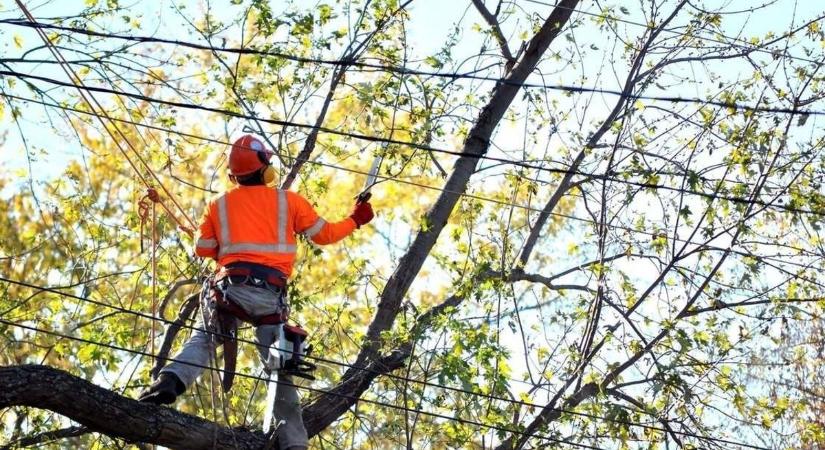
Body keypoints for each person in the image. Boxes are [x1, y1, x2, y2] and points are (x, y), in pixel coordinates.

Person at [138, 134, 374, 450]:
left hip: (230, 290)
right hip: (269, 297)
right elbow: (325, 235)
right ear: (265, 170)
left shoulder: (218, 204)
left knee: (205, 339)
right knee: (277, 370)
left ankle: (170, 381)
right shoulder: (289, 201)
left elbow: (202, 248)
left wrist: (222, 240)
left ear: (233, 175)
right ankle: (294, 445)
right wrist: (355, 219)